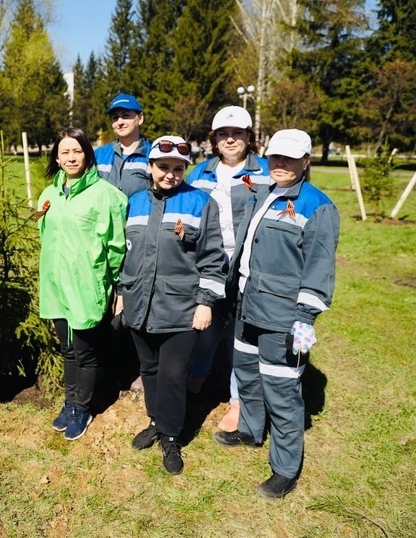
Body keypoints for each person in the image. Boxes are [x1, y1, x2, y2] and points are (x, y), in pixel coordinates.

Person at [213, 129, 339, 499]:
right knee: (247, 375)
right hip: (245, 306)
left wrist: (303, 323)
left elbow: (319, 271)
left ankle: (285, 469)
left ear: (305, 161)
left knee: (283, 392)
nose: (280, 164)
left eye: (288, 158)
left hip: (282, 317)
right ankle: (251, 431)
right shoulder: (265, 193)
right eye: (274, 157)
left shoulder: (317, 206)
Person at [117, 135, 226, 474]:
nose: (170, 174)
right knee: (148, 369)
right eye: (163, 167)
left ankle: (171, 436)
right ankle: (155, 420)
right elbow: (124, 254)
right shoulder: (133, 202)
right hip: (139, 305)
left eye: (178, 169)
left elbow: (212, 259)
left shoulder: (200, 203)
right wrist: (121, 293)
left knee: (173, 374)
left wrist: (206, 303)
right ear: (150, 167)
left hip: (180, 309)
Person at [38, 127, 128, 441]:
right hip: (57, 286)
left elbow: (116, 246)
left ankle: (82, 407)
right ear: (57, 158)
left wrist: (114, 286)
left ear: (88, 154)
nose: (71, 157)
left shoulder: (107, 196)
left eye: (77, 151)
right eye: (65, 152)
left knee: (86, 353)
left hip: (87, 286)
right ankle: (70, 400)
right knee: (67, 349)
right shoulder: (49, 195)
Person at [185, 106, 271, 431]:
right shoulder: (199, 173)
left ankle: (237, 400)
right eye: (223, 133)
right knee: (207, 325)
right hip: (210, 266)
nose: (230, 139)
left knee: (241, 335)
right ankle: (197, 374)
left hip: (249, 267)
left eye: (237, 133)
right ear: (214, 139)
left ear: (249, 137)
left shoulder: (264, 172)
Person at [94, 93, 151, 393]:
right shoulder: (99, 155)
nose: (120, 120)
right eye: (115, 116)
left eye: (127, 115)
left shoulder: (153, 154)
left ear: (140, 118)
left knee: (133, 302)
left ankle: (137, 369)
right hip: (101, 241)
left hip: (138, 240)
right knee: (103, 301)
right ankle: (105, 366)